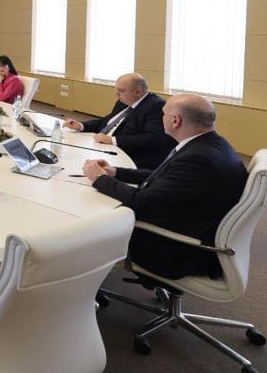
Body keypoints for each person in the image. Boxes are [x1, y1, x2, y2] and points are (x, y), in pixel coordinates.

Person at [83, 94, 246, 280]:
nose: (161, 118)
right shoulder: (210, 144)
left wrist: (100, 179)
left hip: (175, 248)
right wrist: (115, 172)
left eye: (163, 114)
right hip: (194, 220)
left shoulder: (198, 158)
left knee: (91, 224)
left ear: (175, 120)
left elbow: (142, 202)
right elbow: (165, 175)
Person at [64, 73, 176, 169]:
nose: (116, 94)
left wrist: (113, 140)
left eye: (121, 90)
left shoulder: (156, 106)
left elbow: (153, 139)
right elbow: (107, 122)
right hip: (104, 146)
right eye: (116, 89)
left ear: (137, 92)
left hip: (130, 157)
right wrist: (81, 125)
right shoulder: (124, 101)